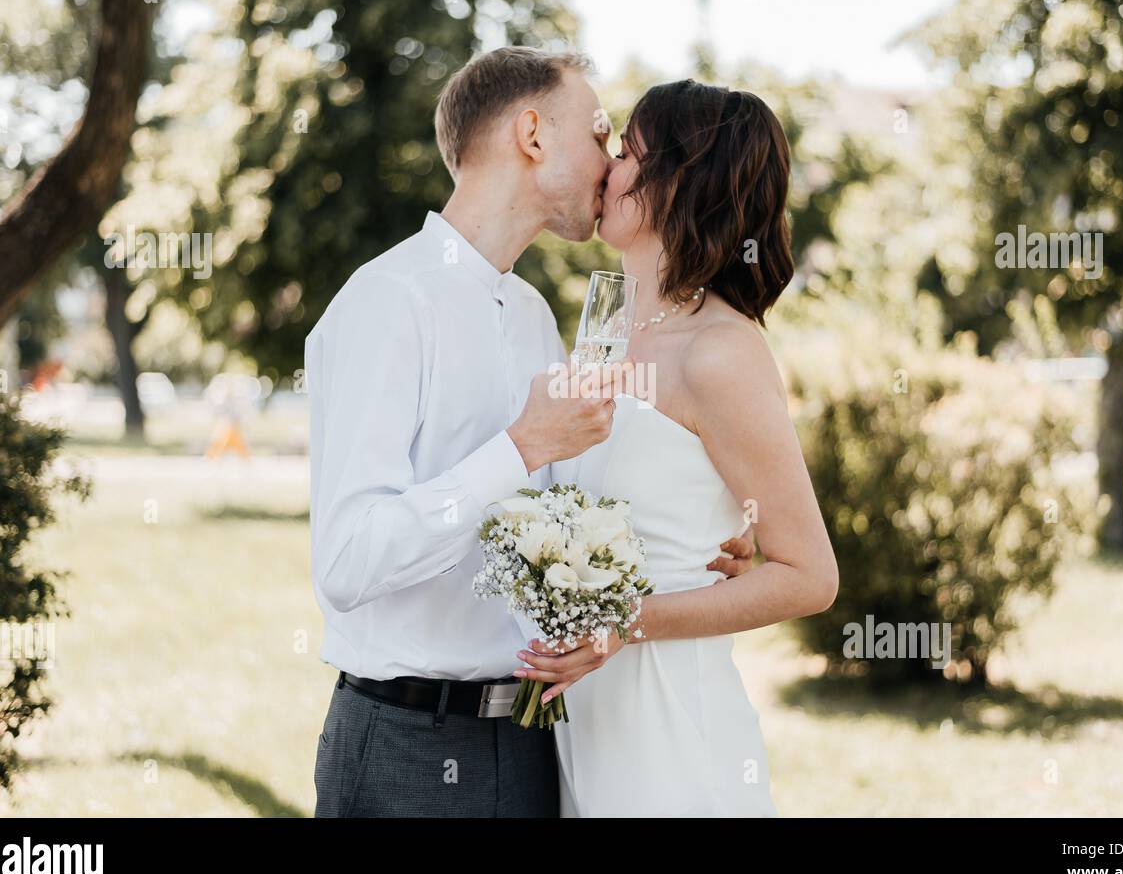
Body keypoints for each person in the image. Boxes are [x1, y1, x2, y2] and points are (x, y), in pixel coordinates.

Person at [306, 49, 753, 817]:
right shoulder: (387, 302)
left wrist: (699, 544)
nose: (612, 162)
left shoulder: (540, 319)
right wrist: (521, 446)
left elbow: (559, 520)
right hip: (411, 743)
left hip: (535, 743)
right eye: (600, 133)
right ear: (534, 134)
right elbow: (347, 561)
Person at [513, 80, 840, 816]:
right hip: (583, 731)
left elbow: (811, 574)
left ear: (680, 182)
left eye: (626, 151)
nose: (606, 167)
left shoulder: (721, 352)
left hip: (670, 742)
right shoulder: (605, 332)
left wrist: (622, 623)